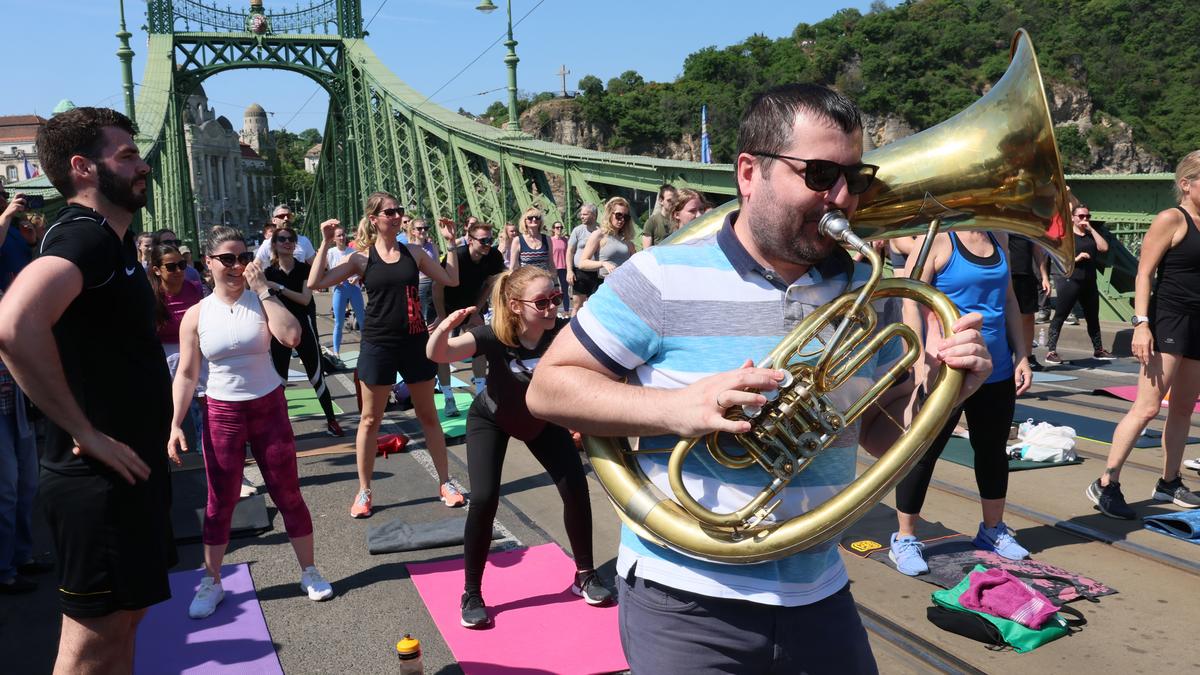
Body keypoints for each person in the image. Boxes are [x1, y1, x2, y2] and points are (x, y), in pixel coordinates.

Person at [527, 84, 991, 672]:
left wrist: (946, 391)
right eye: (821, 174)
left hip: (819, 589)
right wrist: (678, 408)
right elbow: (548, 387)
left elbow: (879, 431)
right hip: (686, 601)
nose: (844, 197)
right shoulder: (661, 274)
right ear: (750, 172)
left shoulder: (864, 291)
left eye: (857, 177)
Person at [0, 107, 176, 673]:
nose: (141, 164)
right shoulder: (84, 238)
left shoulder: (112, 241)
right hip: (96, 484)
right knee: (89, 645)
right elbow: (13, 323)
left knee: (125, 623)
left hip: (127, 473)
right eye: (125, 155)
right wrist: (82, 430)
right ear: (82, 168)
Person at [427, 265, 611, 628]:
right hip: (491, 419)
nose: (550, 308)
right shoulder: (494, 335)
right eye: (541, 302)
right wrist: (447, 326)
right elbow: (439, 354)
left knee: (575, 486)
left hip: (541, 422)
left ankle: (585, 574)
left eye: (556, 299)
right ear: (514, 305)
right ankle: (472, 592)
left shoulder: (561, 332)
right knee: (483, 498)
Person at [169, 226, 334, 619]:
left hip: (268, 406)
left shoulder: (262, 300)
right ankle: (212, 581)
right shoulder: (196, 314)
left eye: (242, 257)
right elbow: (188, 374)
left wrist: (263, 290)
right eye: (227, 259)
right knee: (220, 500)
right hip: (222, 412)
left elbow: (292, 336)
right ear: (207, 264)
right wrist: (176, 424)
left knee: (287, 492)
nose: (236, 265)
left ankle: (309, 571)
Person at [306, 194, 466, 518]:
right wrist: (324, 243)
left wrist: (451, 244)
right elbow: (315, 282)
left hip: (414, 342)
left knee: (428, 416)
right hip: (378, 343)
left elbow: (452, 279)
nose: (396, 216)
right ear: (374, 219)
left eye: (399, 211)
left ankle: (446, 483)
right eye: (388, 212)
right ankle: (364, 490)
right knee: (369, 419)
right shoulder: (360, 259)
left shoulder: (416, 253)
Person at [888, 229, 1033, 576]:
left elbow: (1009, 299)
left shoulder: (999, 237)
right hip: (947, 370)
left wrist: (1023, 355)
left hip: (995, 367)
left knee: (992, 451)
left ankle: (992, 530)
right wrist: (920, 355)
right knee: (923, 453)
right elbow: (911, 298)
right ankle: (905, 538)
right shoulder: (935, 241)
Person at [1088, 151, 1200, 518]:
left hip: (1198, 325)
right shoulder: (1172, 219)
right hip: (1168, 319)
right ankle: (1106, 482)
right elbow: (1143, 274)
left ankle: (1169, 481)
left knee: (1183, 408)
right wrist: (1141, 323)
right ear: (1186, 184)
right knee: (1148, 407)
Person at [264, 225, 343, 437]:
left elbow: (304, 298)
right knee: (279, 381)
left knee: (316, 375)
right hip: (278, 332)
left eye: (291, 239)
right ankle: (279, 427)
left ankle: (332, 421)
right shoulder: (267, 272)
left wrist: (278, 288)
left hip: (304, 327)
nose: (287, 242)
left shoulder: (303, 269)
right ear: (274, 244)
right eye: (282, 239)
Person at [433, 221, 506, 415]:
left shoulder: (494, 256)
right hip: (444, 305)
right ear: (470, 240)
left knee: (479, 345)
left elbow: (490, 284)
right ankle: (449, 398)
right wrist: (441, 317)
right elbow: (436, 286)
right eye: (483, 241)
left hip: (470, 304)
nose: (488, 244)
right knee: (442, 351)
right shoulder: (457, 256)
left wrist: (476, 310)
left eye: (490, 240)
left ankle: (482, 394)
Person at [0, 290, 43, 595]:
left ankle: (21, 555)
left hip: (17, 406)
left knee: (28, 483)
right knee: (7, 489)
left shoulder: (7, 297)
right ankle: (5, 570)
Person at [149, 244, 207, 454]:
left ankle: (206, 444)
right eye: (171, 267)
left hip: (194, 350)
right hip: (164, 353)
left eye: (182, 264)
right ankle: (167, 441)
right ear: (157, 270)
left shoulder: (194, 288)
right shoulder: (151, 295)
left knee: (204, 400)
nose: (179, 271)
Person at [1043, 205, 1115, 364]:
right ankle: (1051, 352)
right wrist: (1077, 259)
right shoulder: (1066, 237)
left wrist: (1092, 229)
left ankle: (1098, 350)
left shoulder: (1091, 235)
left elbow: (1104, 248)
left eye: (1087, 216)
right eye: (1081, 216)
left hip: (1089, 282)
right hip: (1071, 280)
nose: (1085, 219)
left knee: (1092, 317)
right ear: (1073, 218)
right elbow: (1057, 258)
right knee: (1061, 315)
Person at [1007, 235, 1050, 371]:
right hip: (1006, 275)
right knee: (1003, 318)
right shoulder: (1000, 226)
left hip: (1026, 275)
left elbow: (1037, 251)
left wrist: (1044, 276)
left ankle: (1028, 357)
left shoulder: (1026, 226)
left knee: (1028, 317)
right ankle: (1005, 357)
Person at [326, 225, 366, 360]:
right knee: (338, 321)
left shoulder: (353, 251)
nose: (342, 238)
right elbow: (326, 271)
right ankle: (336, 352)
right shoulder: (330, 252)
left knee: (362, 319)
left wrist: (356, 278)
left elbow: (362, 270)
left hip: (354, 288)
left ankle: (367, 349)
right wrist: (336, 281)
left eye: (343, 235)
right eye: (339, 235)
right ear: (334, 238)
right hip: (339, 289)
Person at [577, 197, 636, 284]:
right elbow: (582, 263)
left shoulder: (628, 241)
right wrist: (603, 264)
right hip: (605, 284)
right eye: (618, 215)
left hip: (624, 285)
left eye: (625, 217)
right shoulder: (599, 235)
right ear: (609, 214)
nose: (622, 220)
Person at [565, 203, 600, 315]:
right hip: (580, 273)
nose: (581, 216)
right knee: (577, 306)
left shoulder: (602, 231)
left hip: (597, 274)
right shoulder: (578, 230)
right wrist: (569, 271)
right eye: (581, 214)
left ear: (594, 215)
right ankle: (571, 330)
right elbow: (570, 251)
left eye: (585, 214)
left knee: (594, 306)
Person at [408, 218, 440, 328]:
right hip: (419, 283)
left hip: (434, 282)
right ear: (412, 231)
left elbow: (438, 265)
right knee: (419, 313)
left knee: (434, 313)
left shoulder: (433, 247)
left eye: (425, 228)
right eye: (419, 228)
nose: (423, 231)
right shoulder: (409, 248)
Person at [0, 191, 34, 291]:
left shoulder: (14, 227)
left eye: (5, 195)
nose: (3, 199)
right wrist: (7, 214)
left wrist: (32, 243)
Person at [508, 207, 554, 277]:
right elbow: (513, 267)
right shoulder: (518, 240)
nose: (534, 219)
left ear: (540, 221)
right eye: (530, 218)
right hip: (526, 282)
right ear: (525, 221)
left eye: (537, 217)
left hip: (544, 281)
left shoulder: (547, 239)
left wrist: (556, 284)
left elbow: (551, 263)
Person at [640, 183, 677, 249]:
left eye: (674, 200)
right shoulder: (652, 221)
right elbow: (646, 251)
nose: (672, 203)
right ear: (661, 201)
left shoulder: (679, 220)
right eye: (669, 200)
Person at [550, 221, 571, 315]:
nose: (559, 229)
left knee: (565, 291)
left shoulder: (565, 240)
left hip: (563, 268)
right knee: (554, 291)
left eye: (561, 227)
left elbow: (569, 254)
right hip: (553, 268)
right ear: (553, 229)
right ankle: (553, 311)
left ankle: (566, 311)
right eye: (557, 227)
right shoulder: (550, 240)